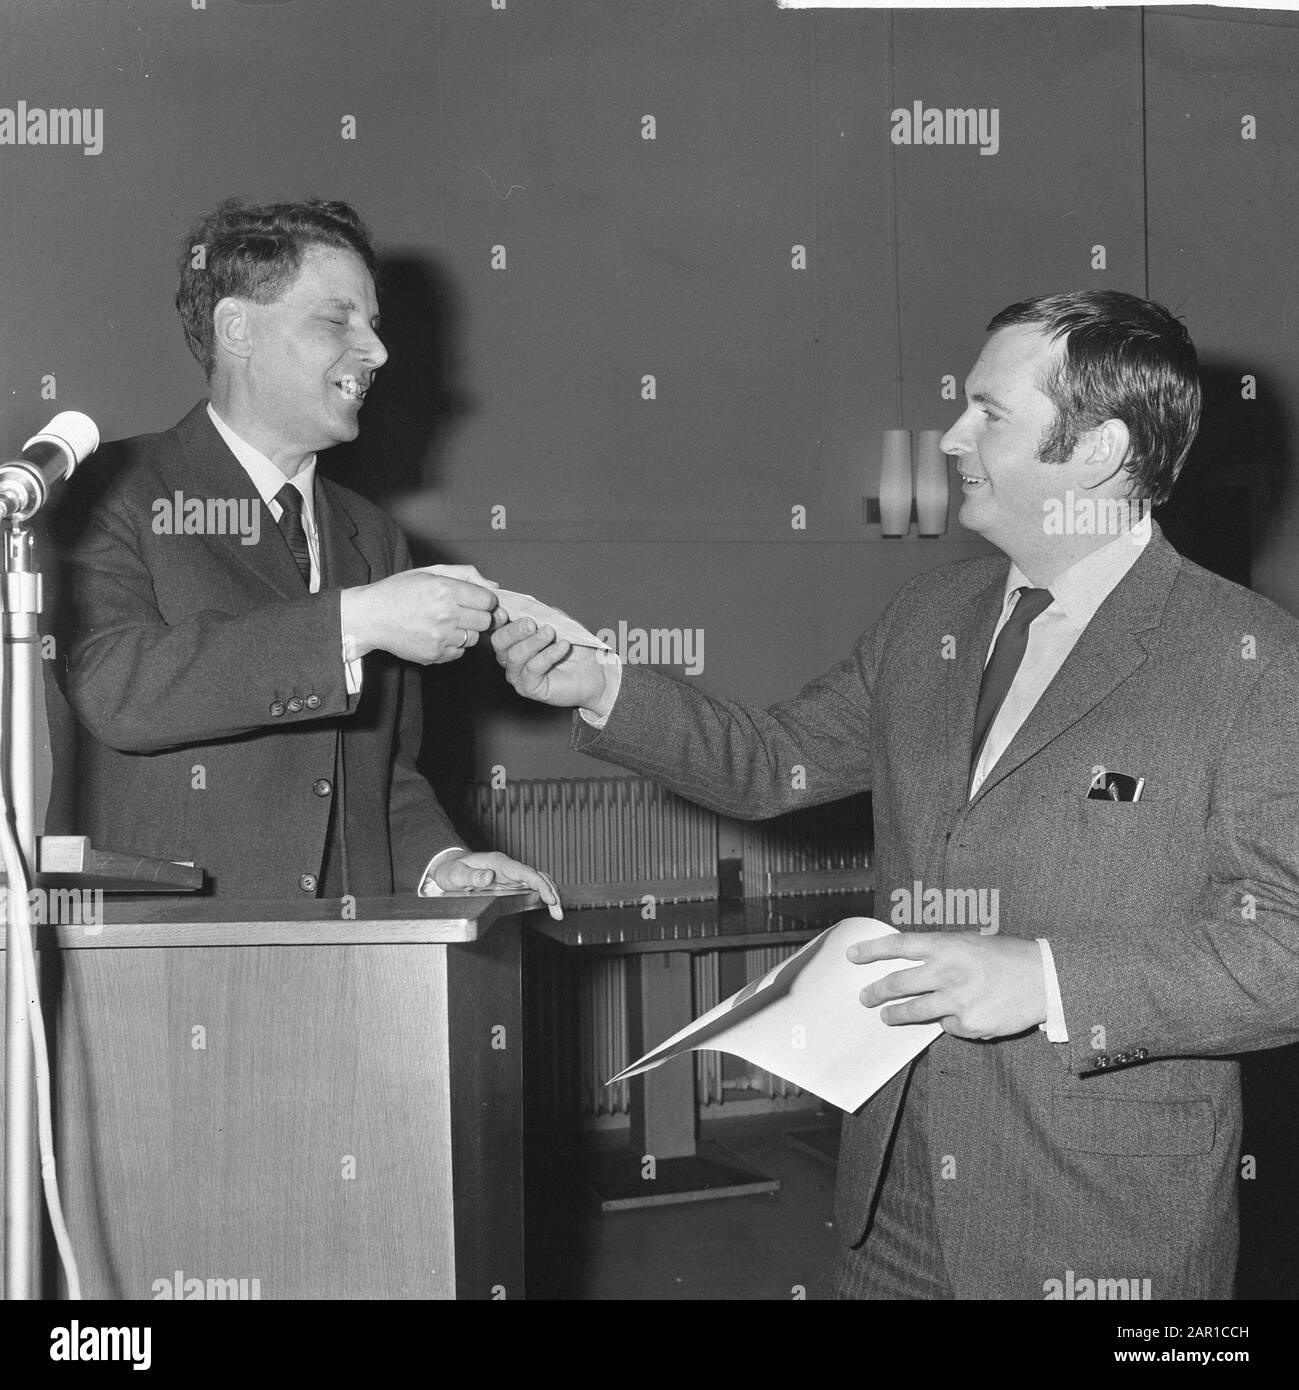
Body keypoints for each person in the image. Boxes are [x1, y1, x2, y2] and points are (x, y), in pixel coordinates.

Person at [492, 290, 1299, 1298]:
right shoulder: (933, 618)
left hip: (1104, 1225)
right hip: (895, 1197)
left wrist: (1044, 982)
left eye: (990, 414)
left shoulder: (1250, 661)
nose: (953, 437)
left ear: (1098, 450)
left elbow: (1286, 951)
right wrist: (603, 683)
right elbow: (772, 759)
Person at [45, 197, 560, 914]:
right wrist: (352, 622)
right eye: (336, 319)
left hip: (343, 973)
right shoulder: (104, 492)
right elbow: (117, 690)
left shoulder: (373, 537)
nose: (377, 351)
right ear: (236, 329)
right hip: (158, 972)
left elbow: (385, 776)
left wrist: (440, 864)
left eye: (374, 326)